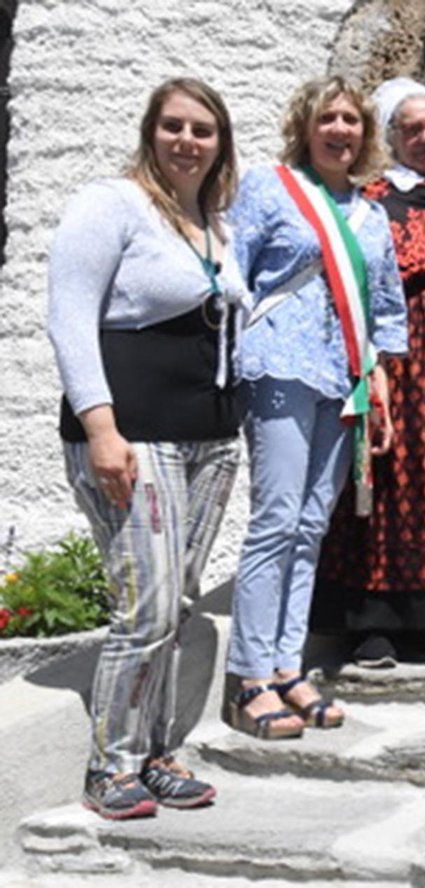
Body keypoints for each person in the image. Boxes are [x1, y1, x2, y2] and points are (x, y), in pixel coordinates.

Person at [48, 77, 247, 818]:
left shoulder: (214, 222)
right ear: (150, 132)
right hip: (135, 435)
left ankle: (156, 752)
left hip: (209, 440)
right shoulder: (111, 204)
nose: (187, 141)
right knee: (149, 606)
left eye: (202, 129)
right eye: (174, 126)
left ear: (221, 143)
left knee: (179, 604)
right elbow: (69, 317)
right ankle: (111, 766)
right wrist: (102, 429)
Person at [228, 76, 405, 733]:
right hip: (279, 365)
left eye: (351, 120)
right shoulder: (269, 187)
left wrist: (380, 379)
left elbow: (386, 303)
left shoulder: (371, 213)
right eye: (327, 118)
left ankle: (287, 667)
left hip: (345, 377)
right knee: (275, 520)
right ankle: (250, 677)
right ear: (306, 126)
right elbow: (233, 273)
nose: (340, 130)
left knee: (310, 529)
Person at [315, 78, 425, 666]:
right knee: (389, 481)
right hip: (394, 362)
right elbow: (354, 285)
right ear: (392, 137)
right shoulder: (373, 202)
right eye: (412, 129)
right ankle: (374, 622)